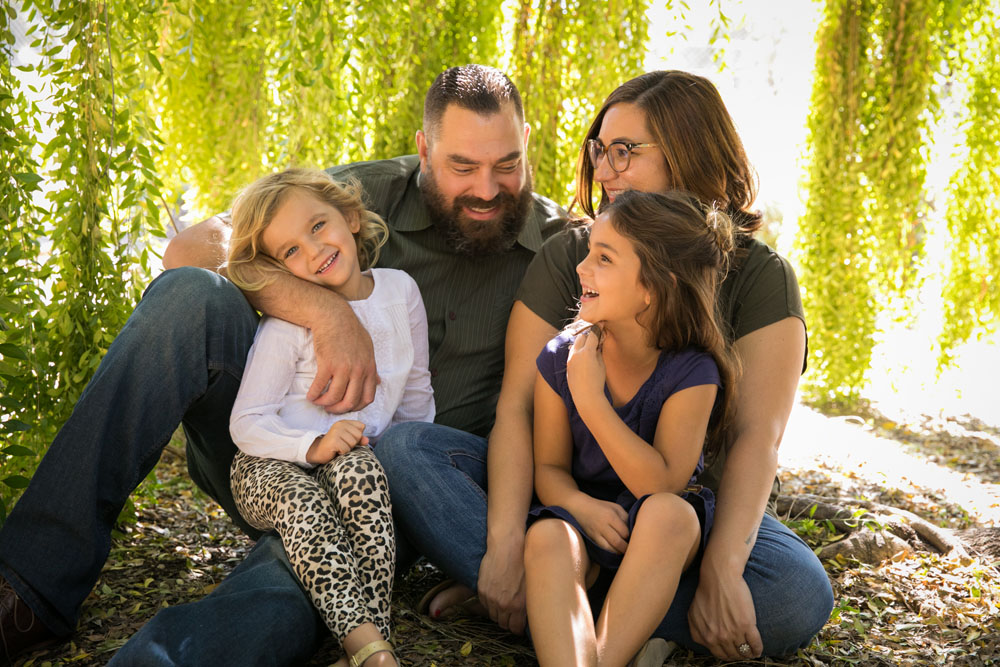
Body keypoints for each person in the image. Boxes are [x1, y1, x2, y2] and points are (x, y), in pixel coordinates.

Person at [0, 64, 566, 667]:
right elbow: (189, 249)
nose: (486, 188)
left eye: (507, 164)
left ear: (527, 142)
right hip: (265, 447)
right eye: (462, 167)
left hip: (382, 493)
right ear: (425, 150)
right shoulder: (361, 196)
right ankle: (26, 590)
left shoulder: (560, 252)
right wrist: (325, 310)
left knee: (296, 587)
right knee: (192, 296)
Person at [378, 70, 834, 661]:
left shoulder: (759, 276)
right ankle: (589, 599)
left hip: (686, 513)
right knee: (407, 452)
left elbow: (755, 439)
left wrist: (721, 571)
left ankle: (567, 605)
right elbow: (517, 405)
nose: (603, 169)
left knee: (796, 595)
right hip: (564, 501)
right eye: (599, 149)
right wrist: (503, 543)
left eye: (625, 151)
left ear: (690, 152)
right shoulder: (571, 254)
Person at [226, 168, 439, 666]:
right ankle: (370, 649)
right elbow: (247, 422)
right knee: (305, 501)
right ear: (278, 269)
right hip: (268, 465)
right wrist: (311, 447)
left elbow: (414, 392)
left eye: (318, 227)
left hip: (348, 458)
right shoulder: (288, 325)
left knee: (364, 472)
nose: (313, 249)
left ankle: (368, 644)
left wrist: (412, 469)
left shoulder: (400, 291)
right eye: (291, 252)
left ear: (349, 217)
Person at [524, 191, 738, 665]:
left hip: (657, 545)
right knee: (545, 537)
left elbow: (661, 483)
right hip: (584, 523)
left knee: (671, 514)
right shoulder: (561, 358)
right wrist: (582, 506)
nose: (582, 268)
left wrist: (589, 399)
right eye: (588, 251)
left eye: (603, 258)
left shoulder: (692, 373)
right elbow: (549, 470)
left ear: (653, 287)